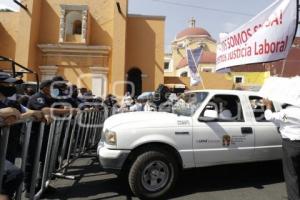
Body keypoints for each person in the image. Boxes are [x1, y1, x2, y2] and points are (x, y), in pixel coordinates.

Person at [264, 99, 300, 200]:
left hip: (291, 145)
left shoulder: (285, 113)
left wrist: (268, 106)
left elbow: (269, 116)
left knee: (291, 174)